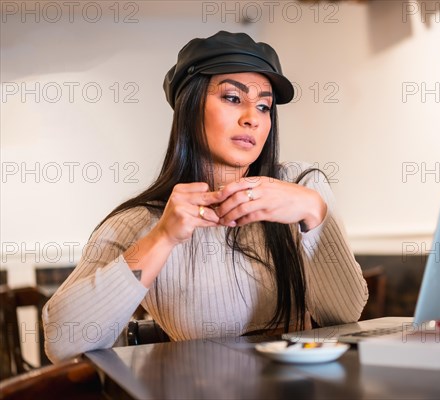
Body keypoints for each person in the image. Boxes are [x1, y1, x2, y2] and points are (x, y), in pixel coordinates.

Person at [42, 31, 368, 363]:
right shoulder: (139, 222)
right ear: (190, 106)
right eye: (231, 98)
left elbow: (345, 317)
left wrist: (314, 211)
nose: (252, 118)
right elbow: (63, 343)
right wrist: (163, 238)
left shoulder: (302, 185)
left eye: (263, 106)